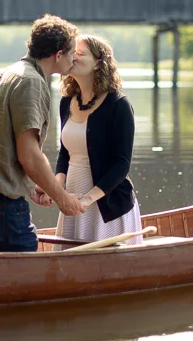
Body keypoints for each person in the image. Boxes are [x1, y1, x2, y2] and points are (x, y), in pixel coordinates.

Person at [0, 14, 85, 252]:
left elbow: (1, 145)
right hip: (0, 203)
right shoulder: (32, 82)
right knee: (23, 279)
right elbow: (29, 154)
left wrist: (34, 185)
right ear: (58, 55)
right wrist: (62, 197)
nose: (74, 60)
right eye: (71, 54)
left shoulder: (11, 72)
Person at [51, 35, 144, 246]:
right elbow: (65, 153)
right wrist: (57, 190)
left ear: (99, 63)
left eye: (80, 53)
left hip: (106, 204)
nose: (72, 56)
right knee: (69, 268)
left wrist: (86, 200)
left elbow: (122, 164)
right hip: (72, 198)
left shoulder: (118, 104)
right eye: (71, 51)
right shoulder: (66, 102)